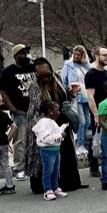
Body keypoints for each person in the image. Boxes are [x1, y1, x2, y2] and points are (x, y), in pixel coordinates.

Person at [24, 57, 84, 195]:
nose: (45, 79)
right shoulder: (34, 87)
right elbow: (35, 110)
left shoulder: (57, 79)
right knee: (47, 158)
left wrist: (72, 94)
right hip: (44, 123)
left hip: (61, 120)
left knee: (66, 152)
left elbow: (64, 97)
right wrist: (47, 128)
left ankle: (69, 183)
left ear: (52, 71)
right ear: (36, 75)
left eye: (48, 75)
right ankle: (45, 186)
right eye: (41, 77)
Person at [0, 43, 37, 180]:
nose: (25, 54)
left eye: (26, 52)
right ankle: (20, 168)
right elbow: (3, 92)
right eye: (22, 52)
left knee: (38, 138)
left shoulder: (34, 67)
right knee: (20, 141)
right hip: (20, 110)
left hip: (36, 109)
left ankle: (35, 165)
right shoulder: (8, 72)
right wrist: (12, 107)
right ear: (16, 56)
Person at [84, 47, 107, 179]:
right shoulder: (91, 75)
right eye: (104, 55)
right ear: (96, 56)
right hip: (99, 111)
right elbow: (90, 96)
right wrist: (96, 114)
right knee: (96, 138)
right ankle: (93, 166)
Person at [32, 100, 68, 201]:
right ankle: (47, 190)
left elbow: (54, 135)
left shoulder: (51, 122)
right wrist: (60, 135)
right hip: (47, 151)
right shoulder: (44, 123)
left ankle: (55, 187)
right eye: (57, 110)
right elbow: (46, 138)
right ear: (50, 111)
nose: (59, 112)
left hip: (55, 149)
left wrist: (62, 129)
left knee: (56, 171)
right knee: (48, 171)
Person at [61, 45, 91, 153]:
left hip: (86, 95)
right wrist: (68, 91)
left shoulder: (87, 66)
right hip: (76, 96)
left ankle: (84, 142)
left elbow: (90, 75)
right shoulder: (69, 65)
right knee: (81, 121)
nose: (76, 56)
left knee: (88, 121)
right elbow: (63, 80)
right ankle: (79, 144)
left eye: (79, 54)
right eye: (75, 54)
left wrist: (85, 62)